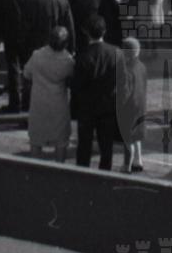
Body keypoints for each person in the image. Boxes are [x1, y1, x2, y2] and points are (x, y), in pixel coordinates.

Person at [71, 15, 122, 170]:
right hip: (108, 105)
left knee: (84, 145)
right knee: (106, 146)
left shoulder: (83, 55)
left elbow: (76, 85)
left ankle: (82, 172)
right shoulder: (116, 52)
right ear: (104, 31)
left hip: (87, 107)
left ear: (86, 33)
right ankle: (105, 173)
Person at [25, 24, 75, 161]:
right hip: (59, 106)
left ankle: (35, 169)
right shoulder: (68, 61)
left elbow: (27, 73)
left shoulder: (37, 55)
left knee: (36, 140)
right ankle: (59, 169)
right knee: (61, 142)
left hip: (39, 104)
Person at [117, 37, 147, 173]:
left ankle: (126, 165)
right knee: (137, 135)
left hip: (129, 108)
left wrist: (118, 104)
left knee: (127, 138)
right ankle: (138, 161)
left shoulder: (126, 70)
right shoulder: (142, 66)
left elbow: (125, 92)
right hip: (140, 105)